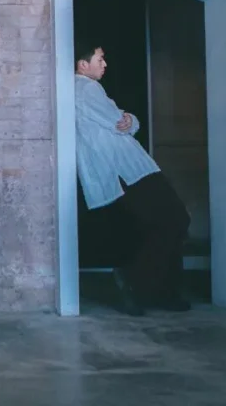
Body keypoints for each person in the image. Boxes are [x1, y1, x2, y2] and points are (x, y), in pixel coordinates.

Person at [74, 40, 191, 315]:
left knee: (162, 224)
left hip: (127, 169)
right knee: (175, 219)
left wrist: (130, 120)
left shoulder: (85, 89)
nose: (105, 64)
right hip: (127, 169)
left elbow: (123, 122)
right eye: (100, 59)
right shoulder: (86, 88)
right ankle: (137, 282)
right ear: (83, 64)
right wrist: (130, 120)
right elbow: (119, 122)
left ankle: (159, 291)